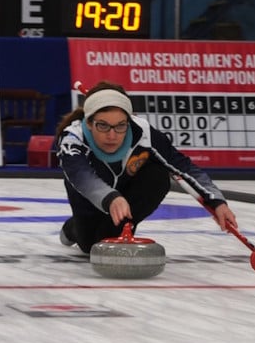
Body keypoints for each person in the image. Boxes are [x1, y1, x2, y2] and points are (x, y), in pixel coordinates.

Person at [56, 81, 237, 253]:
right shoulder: (72, 139)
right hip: (88, 197)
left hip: (125, 193)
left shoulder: (143, 133)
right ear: (89, 123)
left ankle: (116, 229)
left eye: (120, 126)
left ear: (129, 122)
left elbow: (182, 167)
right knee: (90, 247)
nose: (112, 135)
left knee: (157, 175)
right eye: (103, 126)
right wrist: (111, 198)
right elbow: (81, 176)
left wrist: (217, 202)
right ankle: (73, 228)